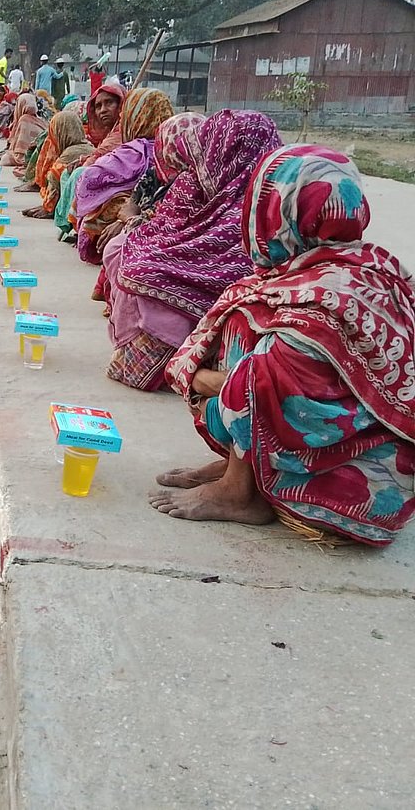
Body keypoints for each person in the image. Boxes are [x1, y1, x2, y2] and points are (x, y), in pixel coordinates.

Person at [153, 146, 415, 547]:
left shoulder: (322, 300)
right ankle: (238, 467)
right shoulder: (373, 265)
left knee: (248, 346)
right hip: (358, 440)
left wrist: (194, 374)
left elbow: (256, 388)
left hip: (358, 476)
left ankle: (241, 493)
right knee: (249, 310)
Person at [102, 110, 282, 392]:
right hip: (194, 269)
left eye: (215, 145)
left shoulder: (269, 203)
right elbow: (167, 227)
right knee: (131, 255)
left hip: (245, 313)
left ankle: (185, 365)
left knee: (145, 269)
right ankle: (180, 365)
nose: (206, 155)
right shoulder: (198, 180)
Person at [73, 87, 175, 263]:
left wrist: (125, 219)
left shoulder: (135, 150)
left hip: (145, 225)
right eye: (98, 105)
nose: (105, 110)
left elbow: (89, 178)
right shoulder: (175, 148)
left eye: (111, 104)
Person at [0, 93, 47, 180]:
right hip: (40, 154)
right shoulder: (41, 120)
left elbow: (20, 154)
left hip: (31, 156)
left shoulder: (24, 120)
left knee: (5, 159)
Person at [83, 81, 127, 161]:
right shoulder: (106, 135)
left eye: (109, 102)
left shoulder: (123, 133)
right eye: (98, 106)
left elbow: (94, 160)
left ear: (121, 104)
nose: (103, 110)